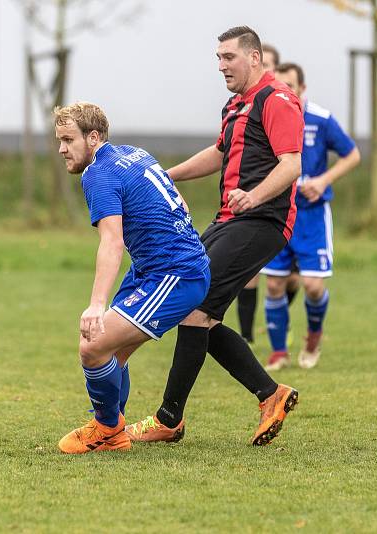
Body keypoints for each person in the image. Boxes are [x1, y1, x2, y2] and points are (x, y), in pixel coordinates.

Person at [126, 26, 302, 447]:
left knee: (195, 312)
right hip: (229, 220)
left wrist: (253, 197)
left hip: (261, 221)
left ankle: (169, 419)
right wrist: (167, 176)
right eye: (218, 58)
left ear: (254, 58)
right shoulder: (235, 105)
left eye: (229, 57)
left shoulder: (277, 100)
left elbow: (291, 164)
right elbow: (219, 153)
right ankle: (270, 394)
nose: (221, 65)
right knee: (196, 310)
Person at [53, 102, 211, 454]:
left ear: (92, 138)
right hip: (162, 267)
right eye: (59, 141)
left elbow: (112, 241)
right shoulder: (134, 154)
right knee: (112, 354)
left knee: (92, 346)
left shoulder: (98, 174)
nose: (62, 149)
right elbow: (181, 204)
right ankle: (112, 426)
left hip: (174, 274)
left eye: (67, 140)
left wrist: (96, 304)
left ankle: (108, 430)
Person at [262, 63, 361, 370]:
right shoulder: (267, 116)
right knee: (275, 285)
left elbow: (353, 154)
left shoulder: (320, 119)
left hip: (312, 217)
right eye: (280, 85)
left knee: (314, 285)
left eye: (291, 85)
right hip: (278, 212)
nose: (286, 91)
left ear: (302, 88)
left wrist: (323, 181)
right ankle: (279, 351)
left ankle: (314, 336)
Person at [237, 42, 301, 344]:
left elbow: (292, 163)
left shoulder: (282, 102)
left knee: (296, 280)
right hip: (249, 207)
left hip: (284, 209)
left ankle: (280, 320)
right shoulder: (243, 106)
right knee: (258, 278)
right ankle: (248, 335)